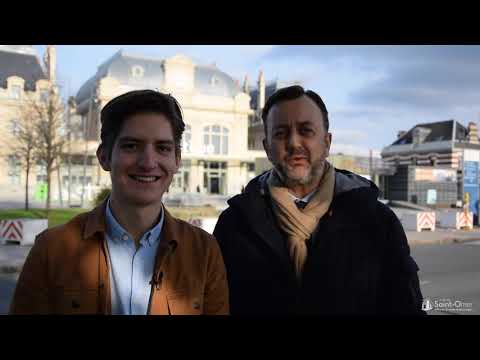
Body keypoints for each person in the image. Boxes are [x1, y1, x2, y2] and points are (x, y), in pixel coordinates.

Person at [10, 90, 229, 315]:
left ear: (177, 161)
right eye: (131, 146)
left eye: (163, 148)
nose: (148, 162)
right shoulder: (52, 249)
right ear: (104, 156)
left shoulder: (204, 252)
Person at [214, 85, 425, 315]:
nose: (294, 143)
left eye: (306, 131)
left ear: (327, 143)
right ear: (267, 148)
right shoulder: (235, 224)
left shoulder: (375, 221)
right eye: (281, 133)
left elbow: (406, 308)